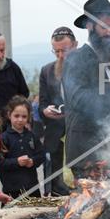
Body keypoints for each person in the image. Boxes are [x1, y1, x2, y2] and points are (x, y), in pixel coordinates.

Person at [63, 0, 110, 180]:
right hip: (86, 154)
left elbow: (108, 103)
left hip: (108, 150)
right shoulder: (76, 58)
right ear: (90, 26)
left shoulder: (108, 62)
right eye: (104, 27)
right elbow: (78, 99)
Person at [39, 27, 77, 195]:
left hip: (79, 136)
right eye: (57, 52)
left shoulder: (88, 69)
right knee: (55, 190)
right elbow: (42, 104)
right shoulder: (47, 71)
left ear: (75, 46)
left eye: (65, 50)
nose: (61, 56)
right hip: (55, 138)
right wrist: (46, 111)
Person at [0, 95, 45, 198]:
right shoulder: (3, 138)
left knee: (37, 213)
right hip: (11, 190)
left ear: (28, 117)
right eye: (16, 116)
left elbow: (41, 155)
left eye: (24, 116)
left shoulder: (32, 136)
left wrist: (33, 161)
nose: (20, 119)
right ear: (9, 115)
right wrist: (16, 162)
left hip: (32, 188)